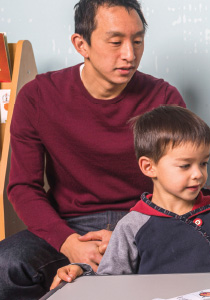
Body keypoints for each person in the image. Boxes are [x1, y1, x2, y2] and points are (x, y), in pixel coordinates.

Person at [0, 0, 185, 298]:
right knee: (5, 264)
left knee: (195, 255)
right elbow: (23, 187)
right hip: (69, 224)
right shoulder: (37, 96)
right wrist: (67, 241)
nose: (130, 54)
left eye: (138, 41)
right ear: (81, 44)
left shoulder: (164, 98)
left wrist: (131, 235)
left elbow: (180, 184)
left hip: (144, 219)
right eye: (115, 42)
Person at [50, 105, 210, 289]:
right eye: (185, 165)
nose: (198, 174)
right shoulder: (132, 225)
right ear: (149, 167)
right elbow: (108, 281)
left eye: (203, 163)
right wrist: (80, 270)